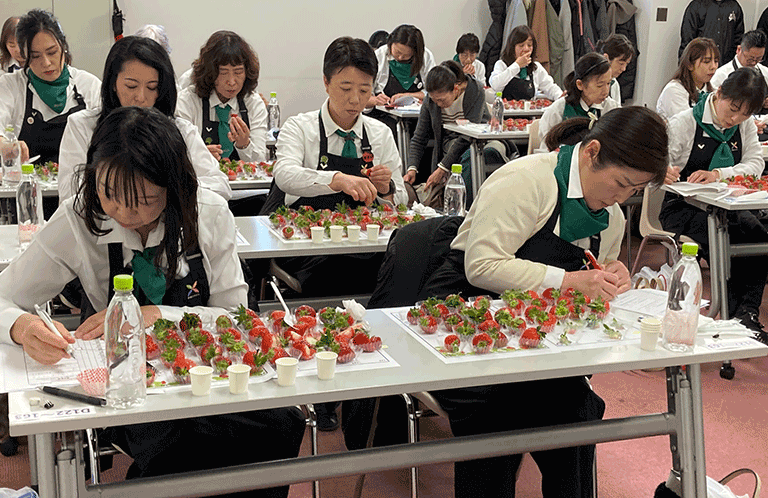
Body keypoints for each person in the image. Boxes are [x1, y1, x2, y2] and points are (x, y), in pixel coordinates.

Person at [0, 106, 305, 495]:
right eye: (109, 194)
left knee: (282, 423)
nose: (125, 213)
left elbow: (235, 316)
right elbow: (4, 295)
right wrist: (21, 326)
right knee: (180, 448)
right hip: (128, 384)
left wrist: (160, 315)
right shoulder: (80, 217)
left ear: (174, 187)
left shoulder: (208, 213)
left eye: (144, 199)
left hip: (210, 375)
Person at [421, 106, 669, 498]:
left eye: (634, 191)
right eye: (620, 183)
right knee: (500, 413)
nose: (621, 197)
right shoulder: (526, 180)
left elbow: (592, 276)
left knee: (577, 410)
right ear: (591, 152)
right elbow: (482, 265)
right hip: (468, 320)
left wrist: (611, 275)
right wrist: (569, 282)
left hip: (539, 338)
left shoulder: (612, 218)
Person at [660, 67, 768, 341]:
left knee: (757, 236)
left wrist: (720, 174)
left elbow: (756, 163)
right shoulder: (684, 123)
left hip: (728, 207)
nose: (734, 119)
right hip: (683, 208)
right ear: (718, 93)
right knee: (723, 238)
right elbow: (657, 172)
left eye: (743, 115)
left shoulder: (742, 125)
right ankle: (734, 316)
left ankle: (747, 313)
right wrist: (664, 171)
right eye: (732, 110)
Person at [58, 36, 231, 201]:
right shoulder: (82, 126)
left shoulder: (180, 130)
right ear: (112, 84)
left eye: (152, 87)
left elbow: (220, 186)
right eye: (131, 86)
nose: (141, 97)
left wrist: (164, 191)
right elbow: (71, 195)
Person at [0, 9, 100, 165]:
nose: (46, 63)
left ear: (63, 47)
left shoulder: (89, 86)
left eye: (52, 52)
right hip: (27, 185)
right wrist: (6, 146)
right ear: (24, 56)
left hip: (79, 185)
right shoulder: (10, 86)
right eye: (35, 56)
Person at [404, 60, 512, 202]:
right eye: (435, 100)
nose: (438, 104)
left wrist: (442, 168)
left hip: (484, 140)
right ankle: (464, 208)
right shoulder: (431, 100)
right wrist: (412, 168)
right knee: (465, 157)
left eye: (442, 100)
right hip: (451, 144)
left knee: (481, 154)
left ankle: (476, 206)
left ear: (455, 89)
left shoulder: (475, 90)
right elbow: (419, 137)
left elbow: (469, 134)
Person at [176, 30, 267, 163]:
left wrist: (244, 145)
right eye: (223, 73)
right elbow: (176, 155)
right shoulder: (188, 101)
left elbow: (260, 161)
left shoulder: (253, 103)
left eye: (238, 72)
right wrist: (198, 157)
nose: (231, 81)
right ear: (210, 73)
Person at [538, 52, 618, 143]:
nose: (606, 91)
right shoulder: (558, 111)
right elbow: (547, 149)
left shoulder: (611, 108)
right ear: (580, 84)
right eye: (599, 85)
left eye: (608, 83)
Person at [489, 25, 563, 102]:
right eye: (521, 45)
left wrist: (561, 97)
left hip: (530, 112)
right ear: (512, 47)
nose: (526, 49)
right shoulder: (501, 64)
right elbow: (495, 86)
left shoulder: (536, 67)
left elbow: (550, 87)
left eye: (529, 45)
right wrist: (517, 65)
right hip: (506, 112)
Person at [368, 24, 436, 107]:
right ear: (390, 43)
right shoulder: (379, 56)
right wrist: (376, 98)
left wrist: (407, 96)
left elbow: (433, 91)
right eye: (397, 52)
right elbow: (367, 91)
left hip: (415, 113)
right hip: (383, 112)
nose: (400, 58)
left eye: (406, 55)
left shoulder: (426, 56)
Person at [656, 37, 719, 122]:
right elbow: (687, 125)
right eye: (706, 62)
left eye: (716, 61)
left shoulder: (714, 91)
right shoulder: (674, 90)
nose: (713, 67)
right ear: (689, 64)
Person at [679, 0, 743, 66]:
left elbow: (738, 40)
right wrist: (684, 67)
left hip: (726, 65)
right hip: (700, 65)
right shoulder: (696, 6)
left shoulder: (734, 7)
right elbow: (687, 40)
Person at [598, 33, 634, 104]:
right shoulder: (592, 82)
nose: (624, 69)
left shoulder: (614, 84)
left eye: (626, 64)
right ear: (606, 58)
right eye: (621, 63)